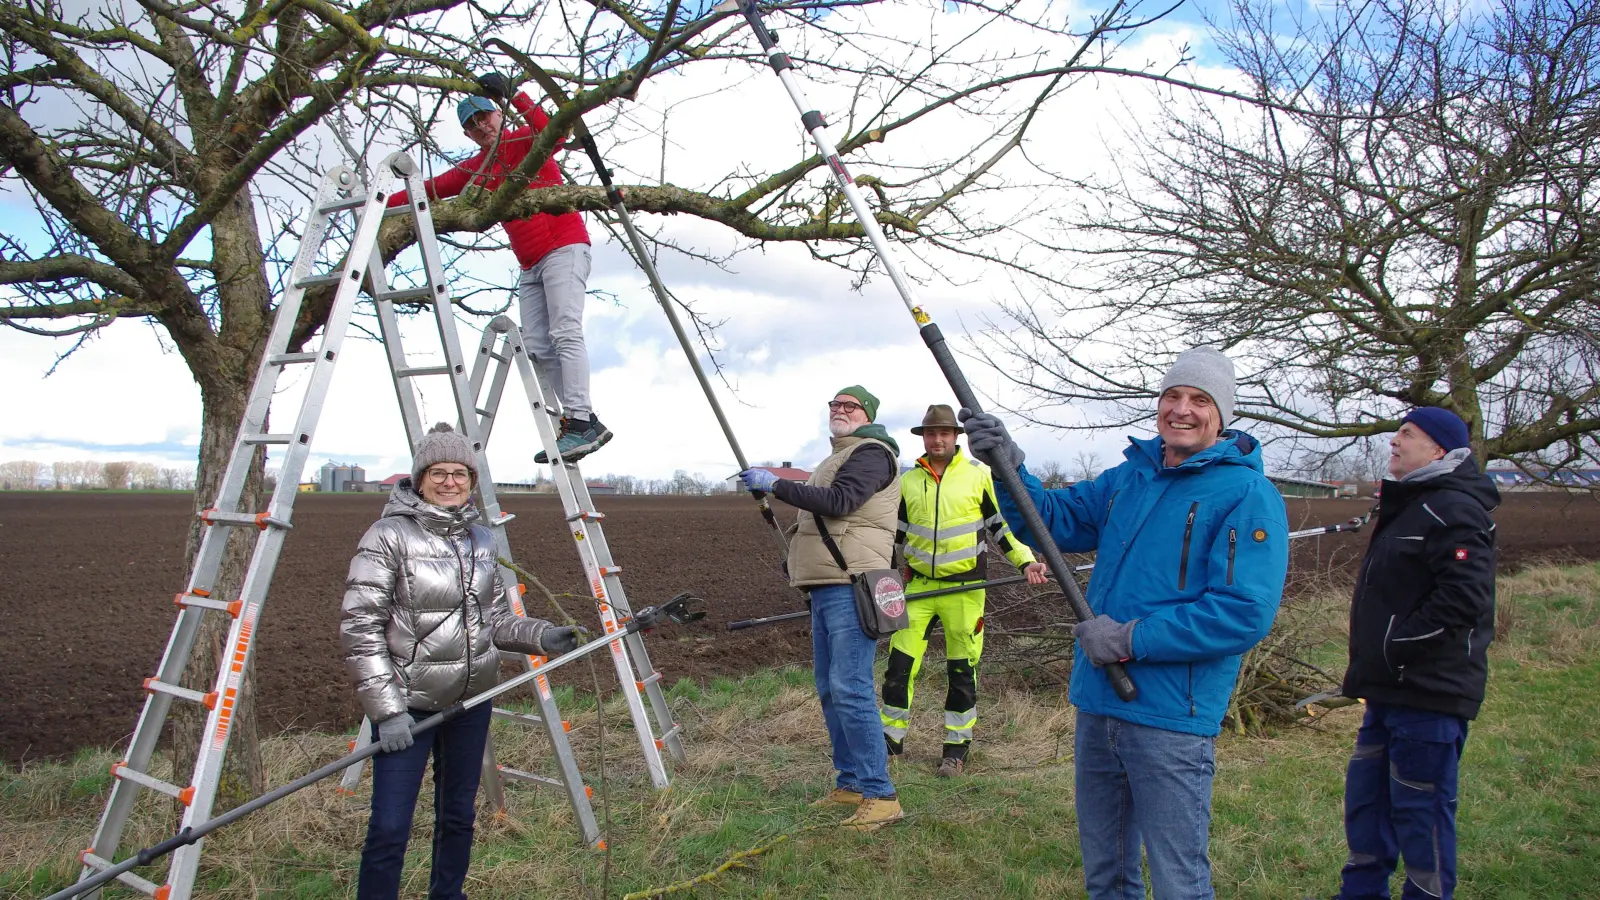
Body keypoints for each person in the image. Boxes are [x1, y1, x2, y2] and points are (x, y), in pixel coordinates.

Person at [961, 347, 1290, 900]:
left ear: (1222, 415)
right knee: (1107, 875)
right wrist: (1009, 467)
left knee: (1178, 879)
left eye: (1199, 400)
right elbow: (1055, 522)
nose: (1181, 409)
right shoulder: (1129, 477)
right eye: (1172, 396)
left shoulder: (1247, 495)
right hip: (1099, 703)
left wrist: (1129, 639)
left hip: (1169, 715)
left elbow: (1242, 613)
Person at [340, 423, 584, 899]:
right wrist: (387, 714)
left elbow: (493, 620)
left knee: (457, 816)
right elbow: (360, 628)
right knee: (390, 826)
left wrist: (542, 635)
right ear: (419, 478)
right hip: (408, 709)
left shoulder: (481, 540)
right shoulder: (388, 535)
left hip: (471, 704)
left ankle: (448, 894)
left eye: (460, 474)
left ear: (472, 481)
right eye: (439, 473)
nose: (450, 482)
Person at [390, 72, 610, 463]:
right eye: (471, 126)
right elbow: (432, 188)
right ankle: (586, 421)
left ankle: (577, 419)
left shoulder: (522, 140)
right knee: (538, 345)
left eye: (484, 117)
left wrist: (517, 94)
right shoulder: (477, 169)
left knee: (565, 330)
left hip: (563, 246)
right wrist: (374, 201)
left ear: (497, 114)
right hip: (529, 263)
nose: (480, 128)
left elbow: (554, 133)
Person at [1332, 407, 1497, 900]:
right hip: (1386, 692)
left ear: (1440, 449)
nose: (1394, 441)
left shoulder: (1454, 507)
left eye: (1407, 433)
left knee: (1420, 816)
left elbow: (1464, 599)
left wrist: (1395, 648)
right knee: (1367, 808)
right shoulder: (1412, 505)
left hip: (1429, 697)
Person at [738, 386, 904, 831]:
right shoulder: (834, 458)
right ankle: (850, 783)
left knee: (850, 687)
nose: (839, 410)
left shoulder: (872, 453)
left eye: (848, 406)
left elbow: (840, 504)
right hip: (826, 584)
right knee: (831, 689)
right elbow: (816, 523)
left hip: (853, 585)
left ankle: (880, 795)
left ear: (866, 413)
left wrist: (776, 484)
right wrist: (794, 556)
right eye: (834, 405)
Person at [882, 403, 1047, 777]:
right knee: (898, 668)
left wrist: (1026, 561)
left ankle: (955, 750)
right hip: (918, 588)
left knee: (961, 670)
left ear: (955, 437)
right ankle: (889, 744)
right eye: (930, 433)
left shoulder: (978, 475)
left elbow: (1001, 527)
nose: (937, 439)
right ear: (923, 437)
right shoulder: (907, 482)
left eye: (944, 433)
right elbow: (892, 535)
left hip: (966, 590)